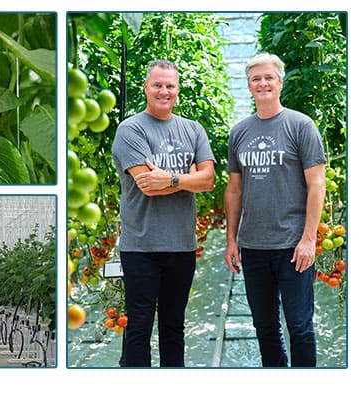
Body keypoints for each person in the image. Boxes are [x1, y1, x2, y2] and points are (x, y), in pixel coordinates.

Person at [224, 53, 326, 367]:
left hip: (293, 247)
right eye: (256, 79)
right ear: (249, 86)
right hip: (254, 247)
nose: (263, 83)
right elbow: (234, 189)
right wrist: (231, 240)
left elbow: (317, 185)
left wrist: (308, 239)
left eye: (269, 77)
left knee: (299, 325)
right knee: (265, 327)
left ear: (279, 82)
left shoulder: (300, 125)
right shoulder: (239, 132)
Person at [111, 59, 215, 367]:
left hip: (182, 246)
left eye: (170, 85)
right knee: (139, 328)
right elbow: (147, 185)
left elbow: (208, 180)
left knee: (174, 327)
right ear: (146, 87)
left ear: (178, 90)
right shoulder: (129, 129)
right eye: (157, 84)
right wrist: (188, 179)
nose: (163, 91)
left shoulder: (193, 129)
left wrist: (170, 178)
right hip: (140, 246)